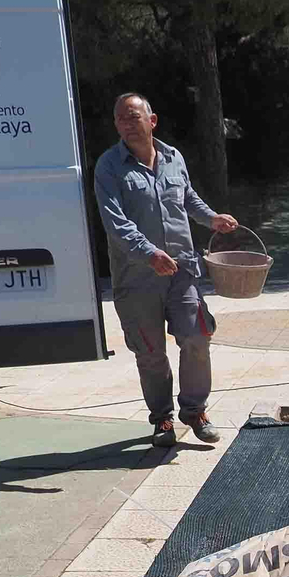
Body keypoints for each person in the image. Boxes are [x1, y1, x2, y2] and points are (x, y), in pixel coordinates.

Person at [95, 93, 238, 447]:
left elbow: (187, 197)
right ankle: (161, 419)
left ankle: (194, 409)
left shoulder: (174, 157)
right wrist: (149, 253)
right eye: (120, 119)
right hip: (137, 277)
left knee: (196, 338)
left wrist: (211, 218)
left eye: (133, 117)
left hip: (182, 270)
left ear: (152, 120)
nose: (127, 124)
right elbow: (115, 222)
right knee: (150, 353)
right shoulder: (109, 166)